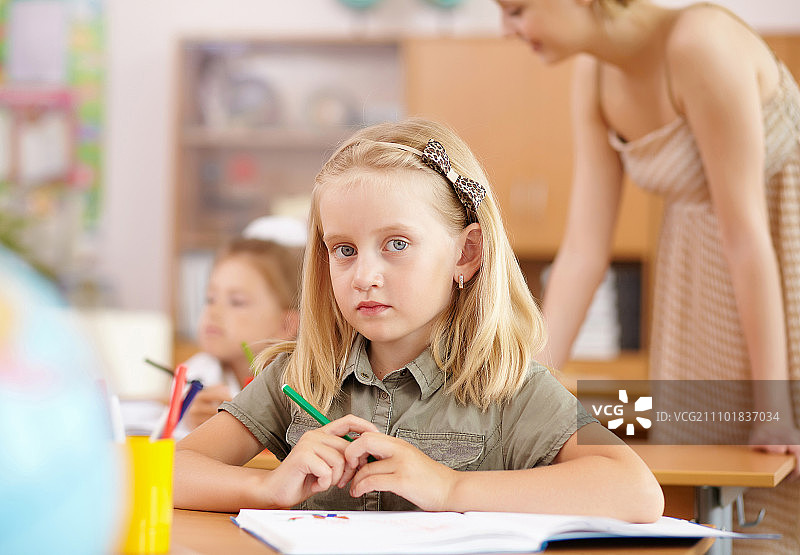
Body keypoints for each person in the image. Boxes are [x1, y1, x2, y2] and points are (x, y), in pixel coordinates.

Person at [173, 117, 664, 521]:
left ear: (466, 254)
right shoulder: (299, 376)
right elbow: (171, 469)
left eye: (397, 245)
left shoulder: (511, 388)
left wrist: (449, 488)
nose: (365, 275)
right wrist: (266, 488)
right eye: (343, 250)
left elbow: (636, 492)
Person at [498, 0, 800, 551]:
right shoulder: (595, 75)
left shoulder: (699, 42)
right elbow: (585, 251)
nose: (506, 30)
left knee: (770, 487)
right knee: (709, 509)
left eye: (516, 10)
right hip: (698, 287)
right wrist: (529, 384)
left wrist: (775, 408)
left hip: (779, 267)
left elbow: (747, 237)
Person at [182, 230, 304, 430]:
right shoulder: (199, 373)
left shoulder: (300, 386)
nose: (214, 311)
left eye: (237, 302)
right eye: (210, 299)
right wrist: (189, 420)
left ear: (286, 325)